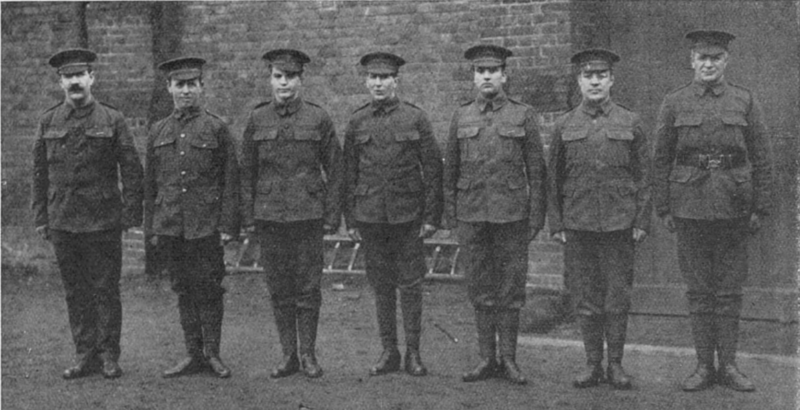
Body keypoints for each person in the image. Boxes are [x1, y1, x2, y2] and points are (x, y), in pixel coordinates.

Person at [653, 30, 772, 392]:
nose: (708, 64)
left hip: (734, 206)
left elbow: (763, 158)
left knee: (730, 290)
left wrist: (760, 207)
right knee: (700, 290)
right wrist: (664, 207)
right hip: (689, 207)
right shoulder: (674, 102)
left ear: (726, 61)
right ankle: (704, 365)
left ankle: (730, 366)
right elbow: (660, 159)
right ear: (691, 61)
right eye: (702, 58)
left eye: (715, 58)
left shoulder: (745, 101)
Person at [32, 48, 144, 380]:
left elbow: (132, 170)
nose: (75, 82)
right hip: (63, 220)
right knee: (75, 291)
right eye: (68, 77)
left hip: (103, 221)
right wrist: (41, 217)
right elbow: (39, 173)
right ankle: (84, 354)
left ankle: (109, 354)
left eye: (80, 75)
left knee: (105, 289)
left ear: (91, 78)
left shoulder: (112, 119)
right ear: (60, 82)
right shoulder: (49, 121)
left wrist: (129, 215)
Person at [443, 45, 547, 385]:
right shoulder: (461, 116)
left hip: (512, 217)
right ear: (474, 77)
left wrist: (535, 218)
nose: (486, 77)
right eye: (480, 71)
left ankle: (510, 360)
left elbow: (537, 171)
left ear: (504, 75)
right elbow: (450, 173)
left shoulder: (523, 115)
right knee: (480, 288)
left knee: (511, 290)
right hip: (473, 217)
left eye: (493, 71)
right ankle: (486, 358)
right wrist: (453, 219)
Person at [547, 49, 651, 390]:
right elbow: (554, 179)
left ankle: (616, 365)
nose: (594, 82)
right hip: (579, 224)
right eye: (588, 76)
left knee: (617, 297)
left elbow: (644, 176)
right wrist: (558, 223)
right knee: (587, 298)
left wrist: (640, 220)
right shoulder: (565, 124)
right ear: (579, 81)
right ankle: (593, 364)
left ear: (611, 80)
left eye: (601, 76)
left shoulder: (630, 121)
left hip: (620, 224)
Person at [240, 49, 342, 379]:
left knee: (309, 287)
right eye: (277, 77)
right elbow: (247, 172)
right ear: (271, 80)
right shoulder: (257, 119)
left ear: (301, 79)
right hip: (270, 218)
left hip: (308, 216)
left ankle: (308, 354)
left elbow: (336, 169)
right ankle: (288, 355)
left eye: (290, 77)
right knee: (280, 288)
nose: (284, 83)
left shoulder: (318, 118)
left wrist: (330, 214)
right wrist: (249, 218)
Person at [342, 52, 443, 377]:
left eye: (384, 77)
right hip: (371, 218)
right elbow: (349, 173)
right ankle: (389, 352)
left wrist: (431, 217)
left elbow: (432, 170)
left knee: (411, 285)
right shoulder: (357, 122)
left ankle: (413, 353)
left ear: (396, 81)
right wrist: (352, 219)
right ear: (366, 81)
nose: (378, 83)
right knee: (381, 286)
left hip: (408, 217)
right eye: (373, 77)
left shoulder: (415, 119)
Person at [144, 57, 240, 379]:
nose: (185, 91)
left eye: (192, 84)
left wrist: (228, 224)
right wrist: (152, 227)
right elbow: (150, 184)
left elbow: (231, 179)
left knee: (209, 288)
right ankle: (192, 354)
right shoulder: (158, 130)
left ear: (201, 87)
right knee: (183, 289)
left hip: (206, 226)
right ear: (169, 87)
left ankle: (212, 354)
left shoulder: (216, 128)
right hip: (172, 225)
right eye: (179, 84)